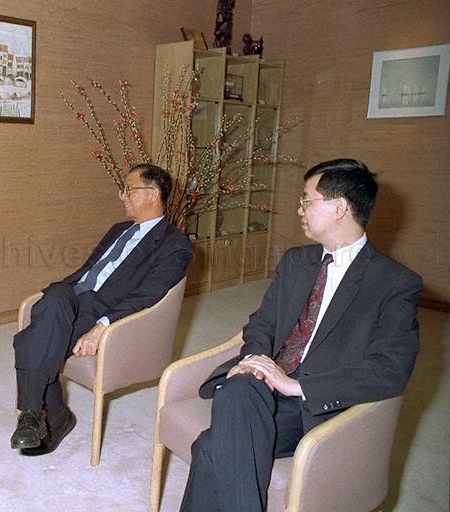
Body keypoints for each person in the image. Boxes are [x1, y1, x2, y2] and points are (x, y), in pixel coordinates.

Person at [179, 159, 422, 511]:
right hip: (259, 387)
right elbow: (261, 324)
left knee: (210, 447)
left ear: (339, 207)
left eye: (307, 200)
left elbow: (391, 369)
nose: (299, 209)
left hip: (312, 404)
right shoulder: (296, 261)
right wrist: (255, 362)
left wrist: (296, 386)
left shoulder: (394, 283)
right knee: (241, 388)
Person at [11, 164, 193, 456]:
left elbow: (149, 295)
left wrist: (102, 326)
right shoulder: (119, 229)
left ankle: (42, 416)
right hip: (72, 294)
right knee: (53, 301)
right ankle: (49, 415)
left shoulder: (174, 244)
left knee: (34, 338)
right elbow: (88, 271)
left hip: (102, 307)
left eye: (129, 189)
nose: (123, 196)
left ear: (153, 193)